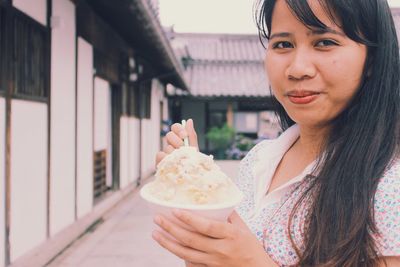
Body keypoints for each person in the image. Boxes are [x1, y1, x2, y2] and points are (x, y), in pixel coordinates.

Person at [153, 0, 400, 266]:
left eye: (325, 42)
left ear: (372, 59)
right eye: (283, 44)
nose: (297, 69)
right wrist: (196, 184)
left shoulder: (389, 185)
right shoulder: (258, 161)